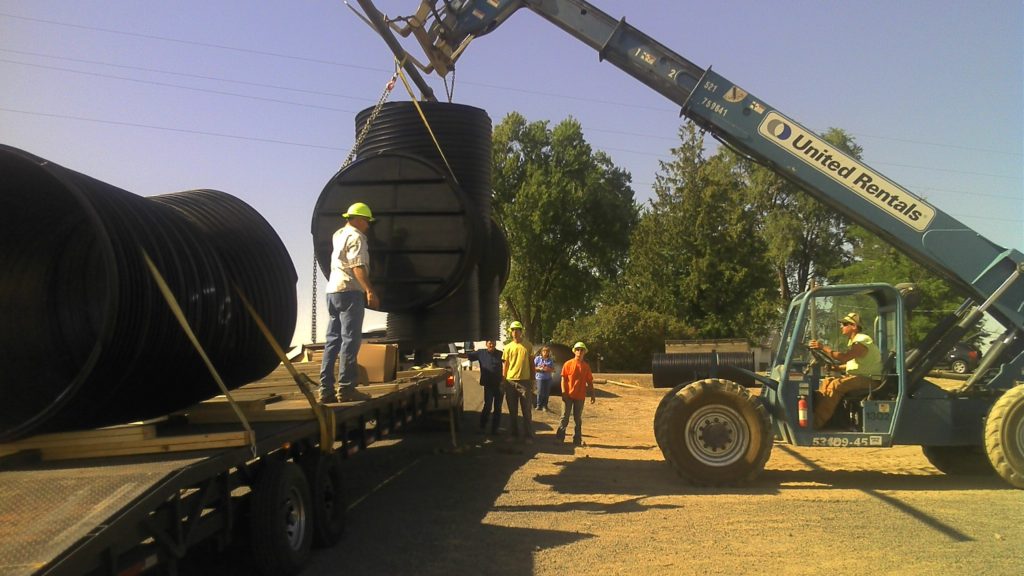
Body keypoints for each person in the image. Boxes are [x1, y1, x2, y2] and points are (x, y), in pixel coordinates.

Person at [319, 202, 379, 404]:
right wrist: (369, 290)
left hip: (332, 291)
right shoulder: (356, 237)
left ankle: (325, 389)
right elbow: (357, 266)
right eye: (367, 222)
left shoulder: (339, 235)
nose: (369, 227)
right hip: (350, 292)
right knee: (350, 341)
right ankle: (346, 388)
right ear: (360, 220)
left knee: (333, 340)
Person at [808, 312, 883, 428]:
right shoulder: (854, 343)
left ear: (854, 326)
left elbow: (844, 357)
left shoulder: (862, 340)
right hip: (859, 377)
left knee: (836, 385)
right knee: (826, 382)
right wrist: (835, 367)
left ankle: (815, 424)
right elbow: (851, 364)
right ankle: (827, 420)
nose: (841, 326)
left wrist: (823, 347)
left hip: (870, 379)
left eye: (844, 324)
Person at [556, 341, 595, 446]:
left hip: (580, 396)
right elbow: (563, 379)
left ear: (584, 352)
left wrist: (592, 394)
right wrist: (564, 392)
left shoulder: (586, 366)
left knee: (578, 419)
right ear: (574, 351)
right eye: (577, 349)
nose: (579, 351)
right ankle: (560, 438)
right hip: (568, 395)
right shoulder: (568, 364)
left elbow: (590, 381)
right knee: (564, 417)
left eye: (581, 350)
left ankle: (577, 439)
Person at [502, 321, 535, 443]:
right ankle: (513, 435)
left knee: (526, 411)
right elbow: (505, 366)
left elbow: (532, 364)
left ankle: (529, 436)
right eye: (513, 330)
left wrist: (533, 381)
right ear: (511, 332)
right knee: (512, 411)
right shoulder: (507, 347)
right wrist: (503, 381)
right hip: (510, 382)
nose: (515, 332)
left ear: (521, 331)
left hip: (525, 382)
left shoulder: (528, 346)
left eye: (517, 330)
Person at [461, 340, 504, 434]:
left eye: (493, 342)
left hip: (499, 385)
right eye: (489, 342)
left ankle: (494, 429)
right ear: (486, 344)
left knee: (498, 407)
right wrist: (454, 355)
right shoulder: (481, 353)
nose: (491, 344)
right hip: (488, 385)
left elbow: (510, 361)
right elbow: (467, 356)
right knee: (488, 406)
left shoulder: (500, 354)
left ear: (495, 344)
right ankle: (482, 425)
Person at [534, 346, 555, 411]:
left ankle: (545, 406)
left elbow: (553, 369)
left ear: (549, 352)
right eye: (544, 351)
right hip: (539, 377)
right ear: (541, 352)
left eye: (547, 351)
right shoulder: (537, 358)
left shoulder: (550, 360)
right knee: (540, 391)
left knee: (546, 392)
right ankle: (538, 405)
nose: (545, 352)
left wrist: (548, 369)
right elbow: (533, 367)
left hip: (548, 378)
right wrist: (539, 368)